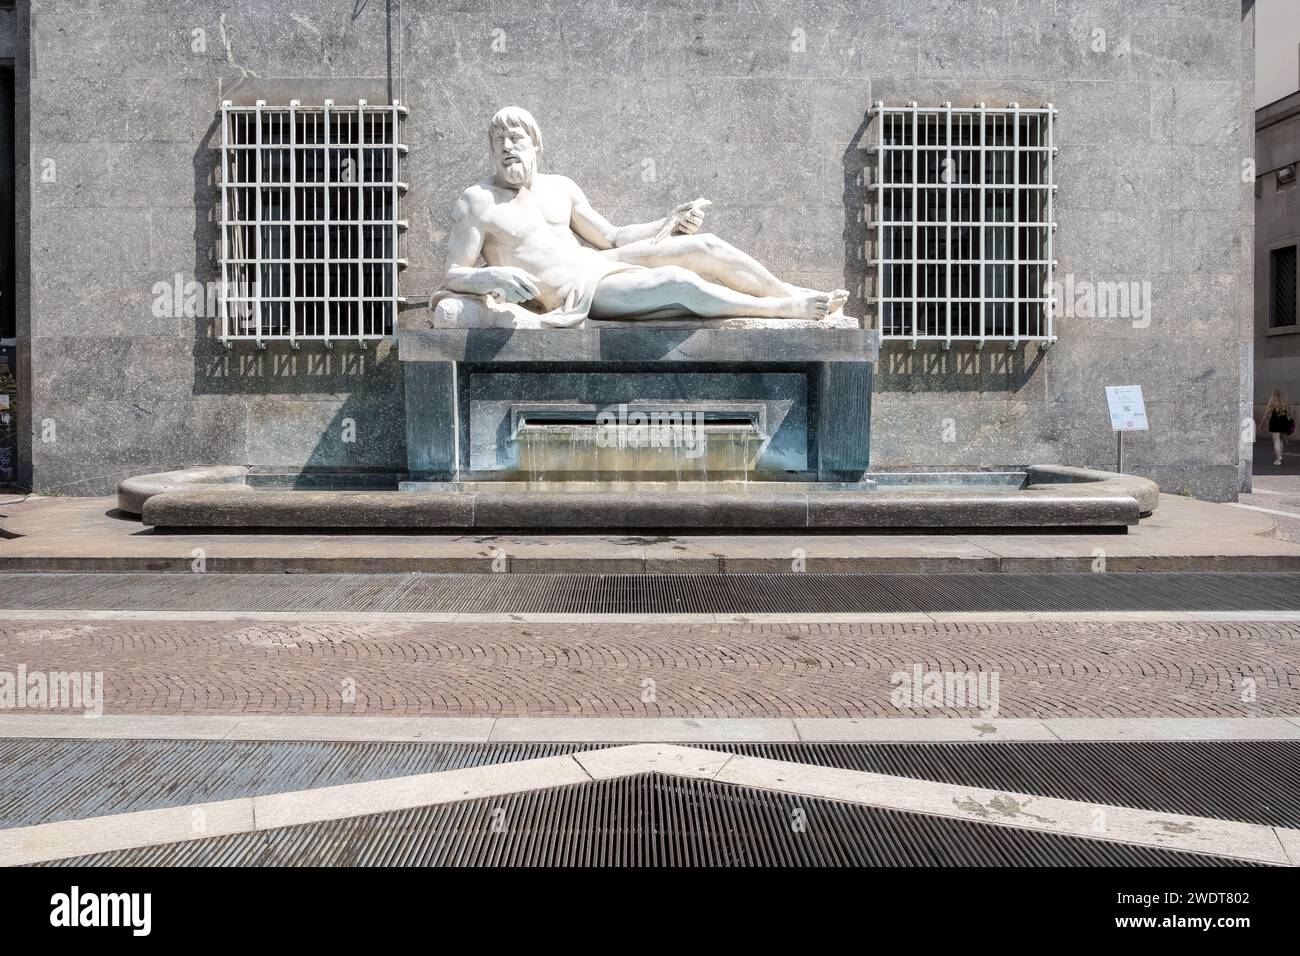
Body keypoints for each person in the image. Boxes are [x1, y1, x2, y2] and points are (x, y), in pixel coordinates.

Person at [442, 106, 850, 327]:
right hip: (574, 294)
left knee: (703, 245)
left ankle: (786, 293)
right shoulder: (477, 201)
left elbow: (612, 236)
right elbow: (453, 275)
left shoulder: (560, 187)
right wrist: (489, 276)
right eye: (498, 141)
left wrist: (666, 223)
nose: (507, 147)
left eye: (516, 139)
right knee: (677, 281)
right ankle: (780, 311)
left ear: (536, 145)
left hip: (597, 264)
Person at [1260, 389, 1294, 466]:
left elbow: (1266, 415)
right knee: (1281, 440)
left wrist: (1261, 424)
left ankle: (1278, 460)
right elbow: (1289, 414)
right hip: (1284, 422)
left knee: (1276, 441)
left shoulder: (1272, 404)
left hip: (1275, 423)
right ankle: (1280, 455)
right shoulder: (1285, 404)